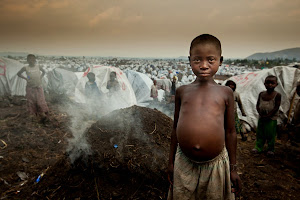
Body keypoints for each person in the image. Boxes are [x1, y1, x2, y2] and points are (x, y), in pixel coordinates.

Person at [167, 34, 241, 200]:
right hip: (184, 164)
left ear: (220, 61)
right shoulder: (182, 91)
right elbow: (175, 128)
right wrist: (171, 162)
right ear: (189, 60)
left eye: (210, 60)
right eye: (197, 60)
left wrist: (233, 168)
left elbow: (230, 132)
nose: (204, 65)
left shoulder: (226, 93)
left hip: (215, 165)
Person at [252, 75, 281, 156]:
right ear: (264, 84)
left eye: (272, 83)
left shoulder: (277, 95)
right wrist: (260, 113)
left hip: (271, 118)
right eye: (268, 83)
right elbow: (258, 105)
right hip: (261, 117)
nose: (270, 85)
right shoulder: (261, 94)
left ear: (276, 84)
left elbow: (276, 107)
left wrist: (268, 115)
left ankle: (270, 149)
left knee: (271, 134)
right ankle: (258, 147)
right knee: (260, 133)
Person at [17, 54, 49, 122]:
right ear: (27, 60)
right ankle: (33, 115)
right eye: (29, 59)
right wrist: (26, 78)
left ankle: (42, 114)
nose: (31, 61)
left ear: (35, 60)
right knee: (31, 101)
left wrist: (40, 77)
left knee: (40, 101)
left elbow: (43, 72)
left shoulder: (38, 66)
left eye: (33, 59)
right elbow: (19, 74)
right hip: (30, 87)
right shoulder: (25, 68)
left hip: (38, 86)